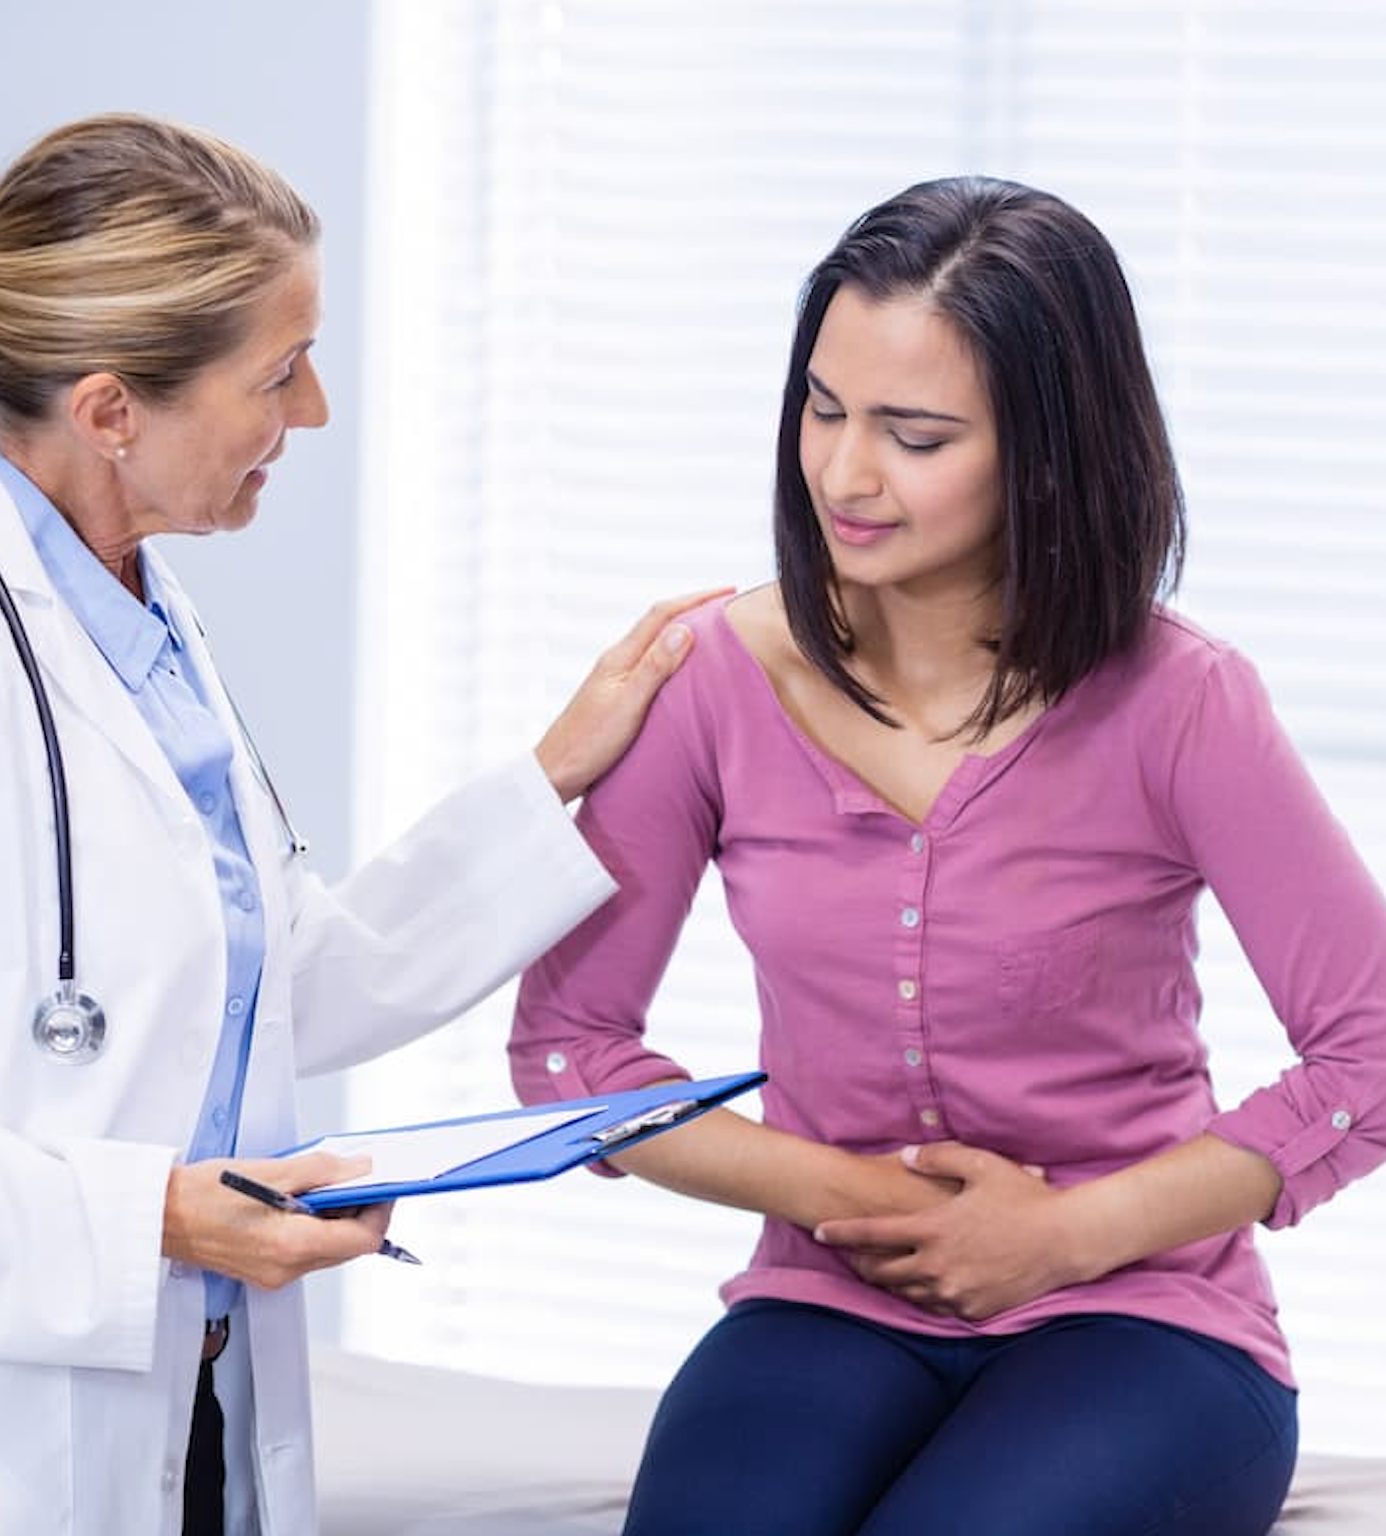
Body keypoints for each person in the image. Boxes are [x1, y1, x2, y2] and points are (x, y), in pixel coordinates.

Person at [0, 113, 715, 1536]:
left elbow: (272, 985)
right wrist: (157, 1221)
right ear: (114, 412)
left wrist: (555, 772)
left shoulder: (143, 624)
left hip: (193, 1398)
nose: (310, 411)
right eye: (278, 372)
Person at [509, 175, 1386, 1535]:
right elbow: (570, 1053)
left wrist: (1062, 1234)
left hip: (1146, 1320)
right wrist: (851, 1196)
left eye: (915, 435)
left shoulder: (1183, 702)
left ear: (1048, 449)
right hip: (826, 1301)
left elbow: (1370, 1049)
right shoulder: (708, 682)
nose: (845, 475)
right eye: (824, 410)